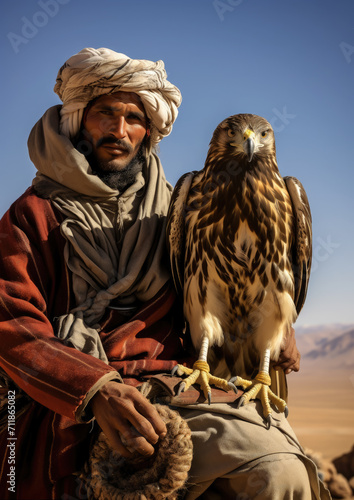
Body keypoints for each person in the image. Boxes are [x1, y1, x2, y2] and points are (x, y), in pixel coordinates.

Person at [0, 48, 330, 500]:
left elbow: (225, 285)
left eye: (134, 118)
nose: (119, 131)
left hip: (170, 384)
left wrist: (273, 326)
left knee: (280, 472)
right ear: (76, 120)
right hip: (70, 399)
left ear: (150, 131)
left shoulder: (176, 203)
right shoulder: (31, 217)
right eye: (105, 114)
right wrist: (94, 389)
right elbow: (12, 325)